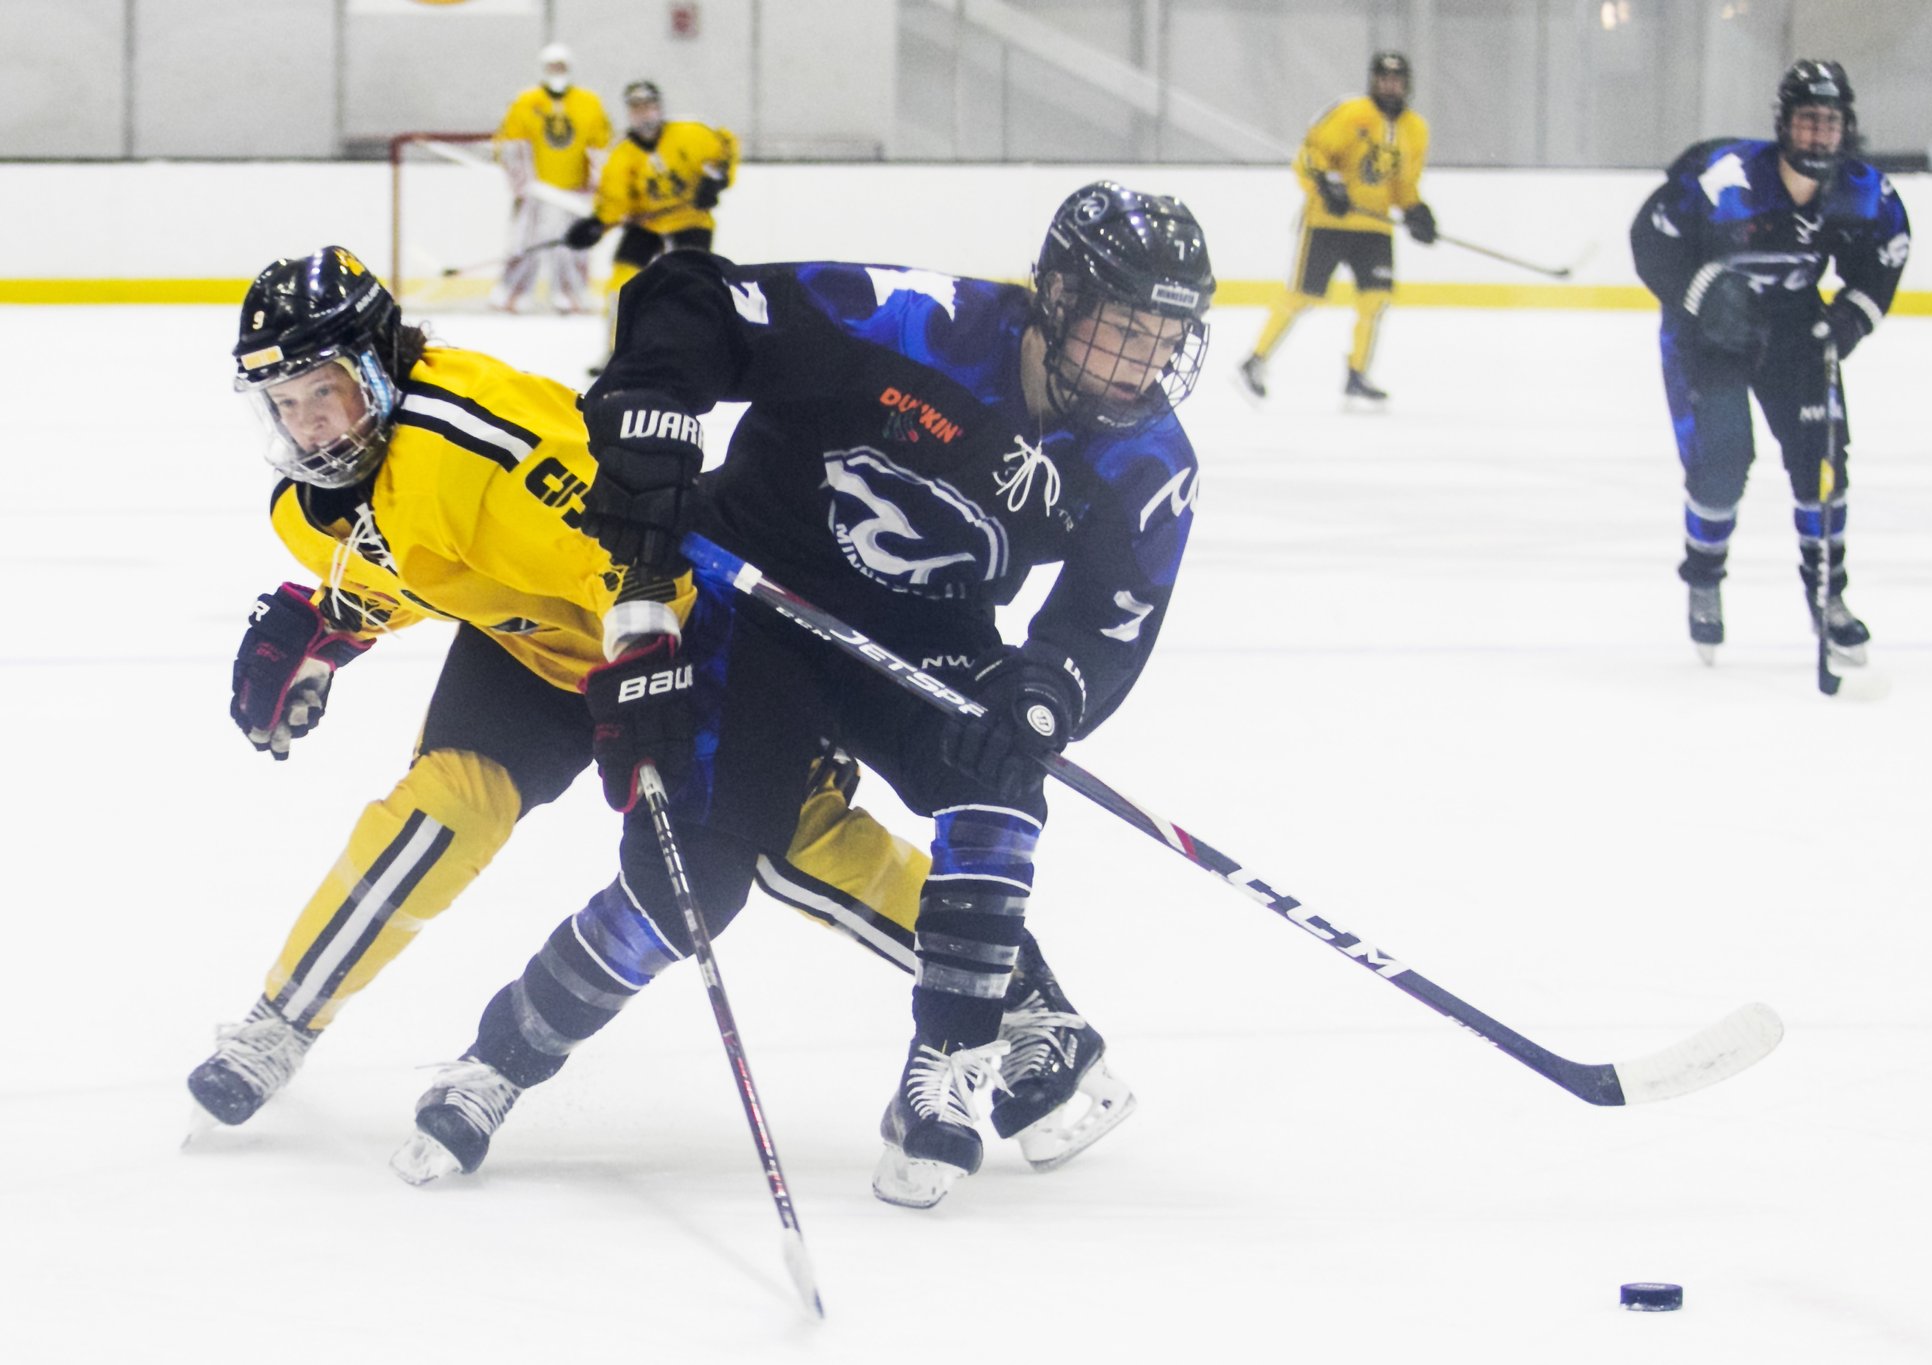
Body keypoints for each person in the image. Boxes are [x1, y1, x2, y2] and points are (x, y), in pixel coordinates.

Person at [189, 248, 1128, 1182]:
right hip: (527, 651)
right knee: (442, 812)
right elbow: (425, 569)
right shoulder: (305, 507)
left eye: (326, 392)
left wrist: (680, 676)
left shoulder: (472, 440)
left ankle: (1022, 1003)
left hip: (666, 625)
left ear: (380, 364)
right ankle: (279, 1023)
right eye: (285, 403)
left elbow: (635, 546)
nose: (309, 425)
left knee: (791, 841)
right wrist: (329, 625)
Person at [402, 180, 1213, 1210]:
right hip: (758, 596)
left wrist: (1045, 694)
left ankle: (948, 1072)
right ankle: (499, 1059)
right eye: (1121, 327)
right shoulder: (917, 321)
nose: (1141, 361)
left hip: (926, 628)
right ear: (1054, 294)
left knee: (1001, 772)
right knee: (690, 878)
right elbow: (694, 296)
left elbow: (1107, 619)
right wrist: (655, 414)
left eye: (1163, 336)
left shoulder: (1148, 462)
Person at [1630, 59, 1909, 664]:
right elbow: (1650, 239)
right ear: (1783, 124)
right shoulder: (1725, 176)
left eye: (1829, 123)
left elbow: (1883, 261)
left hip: (1792, 330)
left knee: (1823, 462)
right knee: (1724, 460)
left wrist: (1850, 318)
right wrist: (1704, 292)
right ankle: (1704, 577)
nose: (1818, 135)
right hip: (1709, 335)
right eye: (1807, 121)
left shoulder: (1862, 193)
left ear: (1845, 128)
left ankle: (1827, 597)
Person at [1237, 51, 1434, 404]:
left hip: (1375, 227)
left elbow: (1404, 183)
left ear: (1407, 84)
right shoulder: (1350, 113)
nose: (1389, 86)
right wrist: (1327, 187)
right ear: (1373, 81)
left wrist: (1415, 209)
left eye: (1396, 79)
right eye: (1383, 78)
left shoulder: (1416, 129)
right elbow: (1311, 155)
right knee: (1303, 296)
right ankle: (1255, 360)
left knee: (1375, 300)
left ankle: (1357, 374)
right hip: (1328, 222)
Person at [563, 80, 739, 370]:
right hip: (649, 225)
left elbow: (726, 147)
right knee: (621, 283)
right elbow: (614, 202)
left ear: (659, 107)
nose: (644, 114)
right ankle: (616, 350)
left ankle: (696, 349)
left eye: (648, 106)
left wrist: (717, 179)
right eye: (636, 108)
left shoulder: (690, 132)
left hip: (690, 220)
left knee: (692, 283)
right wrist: (596, 224)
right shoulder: (621, 154)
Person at [489, 43, 613, 314]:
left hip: (574, 192)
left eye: (562, 66)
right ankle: (511, 296)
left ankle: (572, 297)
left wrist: (594, 187)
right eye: (552, 67)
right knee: (525, 245)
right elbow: (511, 143)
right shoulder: (525, 101)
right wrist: (523, 185)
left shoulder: (589, 102)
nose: (557, 71)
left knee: (572, 249)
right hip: (537, 192)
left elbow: (599, 147)